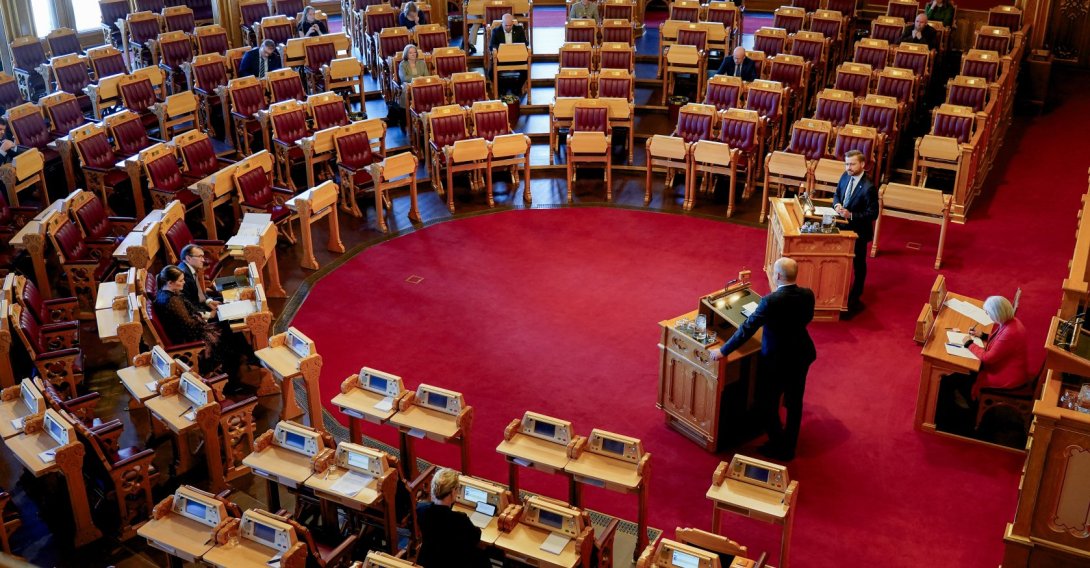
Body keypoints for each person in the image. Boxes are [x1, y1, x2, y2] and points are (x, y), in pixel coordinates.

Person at [709, 258, 816, 461]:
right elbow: (807, 318)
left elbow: (747, 329)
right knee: (794, 403)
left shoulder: (771, 301)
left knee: (767, 401)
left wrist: (723, 351)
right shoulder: (807, 295)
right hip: (801, 355)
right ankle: (789, 446)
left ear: (777, 276)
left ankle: (777, 444)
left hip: (777, 360)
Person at [832, 149, 878, 316]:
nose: (848, 167)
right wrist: (837, 205)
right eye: (846, 163)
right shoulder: (845, 176)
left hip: (858, 231)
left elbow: (873, 214)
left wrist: (851, 215)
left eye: (852, 164)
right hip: (841, 227)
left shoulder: (868, 187)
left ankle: (855, 297)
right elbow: (837, 194)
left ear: (862, 164)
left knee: (858, 265)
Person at [416, 468, 488, 568]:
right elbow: (476, 536)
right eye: (457, 488)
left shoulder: (421, 509)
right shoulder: (460, 519)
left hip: (429, 561)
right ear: (453, 492)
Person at [489, 14, 529, 95]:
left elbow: (525, 43)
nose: (508, 27)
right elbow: (492, 45)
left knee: (526, 70)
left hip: (517, 58)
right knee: (491, 73)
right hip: (501, 58)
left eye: (510, 25)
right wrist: (500, 49)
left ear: (512, 23)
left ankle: (517, 88)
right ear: (502, 23)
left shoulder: (519, 29)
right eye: (506, 25)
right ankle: (501, 88)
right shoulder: (496, 31)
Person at [177, 244, 221, 313]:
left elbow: (198, 293)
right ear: (188, 258)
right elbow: (189, 304)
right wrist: (209, 314)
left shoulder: (189, 269)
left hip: (201, 305)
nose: (203, 260)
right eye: (200, 257)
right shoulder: (184, 276)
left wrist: (209, 302)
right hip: (198, 312)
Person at [397, 44, 430, 109]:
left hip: (422, 85)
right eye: (410, 53)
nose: (413, 54)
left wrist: (421, 80)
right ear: (406, 54)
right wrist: (418, 78)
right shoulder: (402, 64)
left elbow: (427, 76)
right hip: (409, 86)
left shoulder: (422, 63)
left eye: (414, 52)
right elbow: (404, 78)